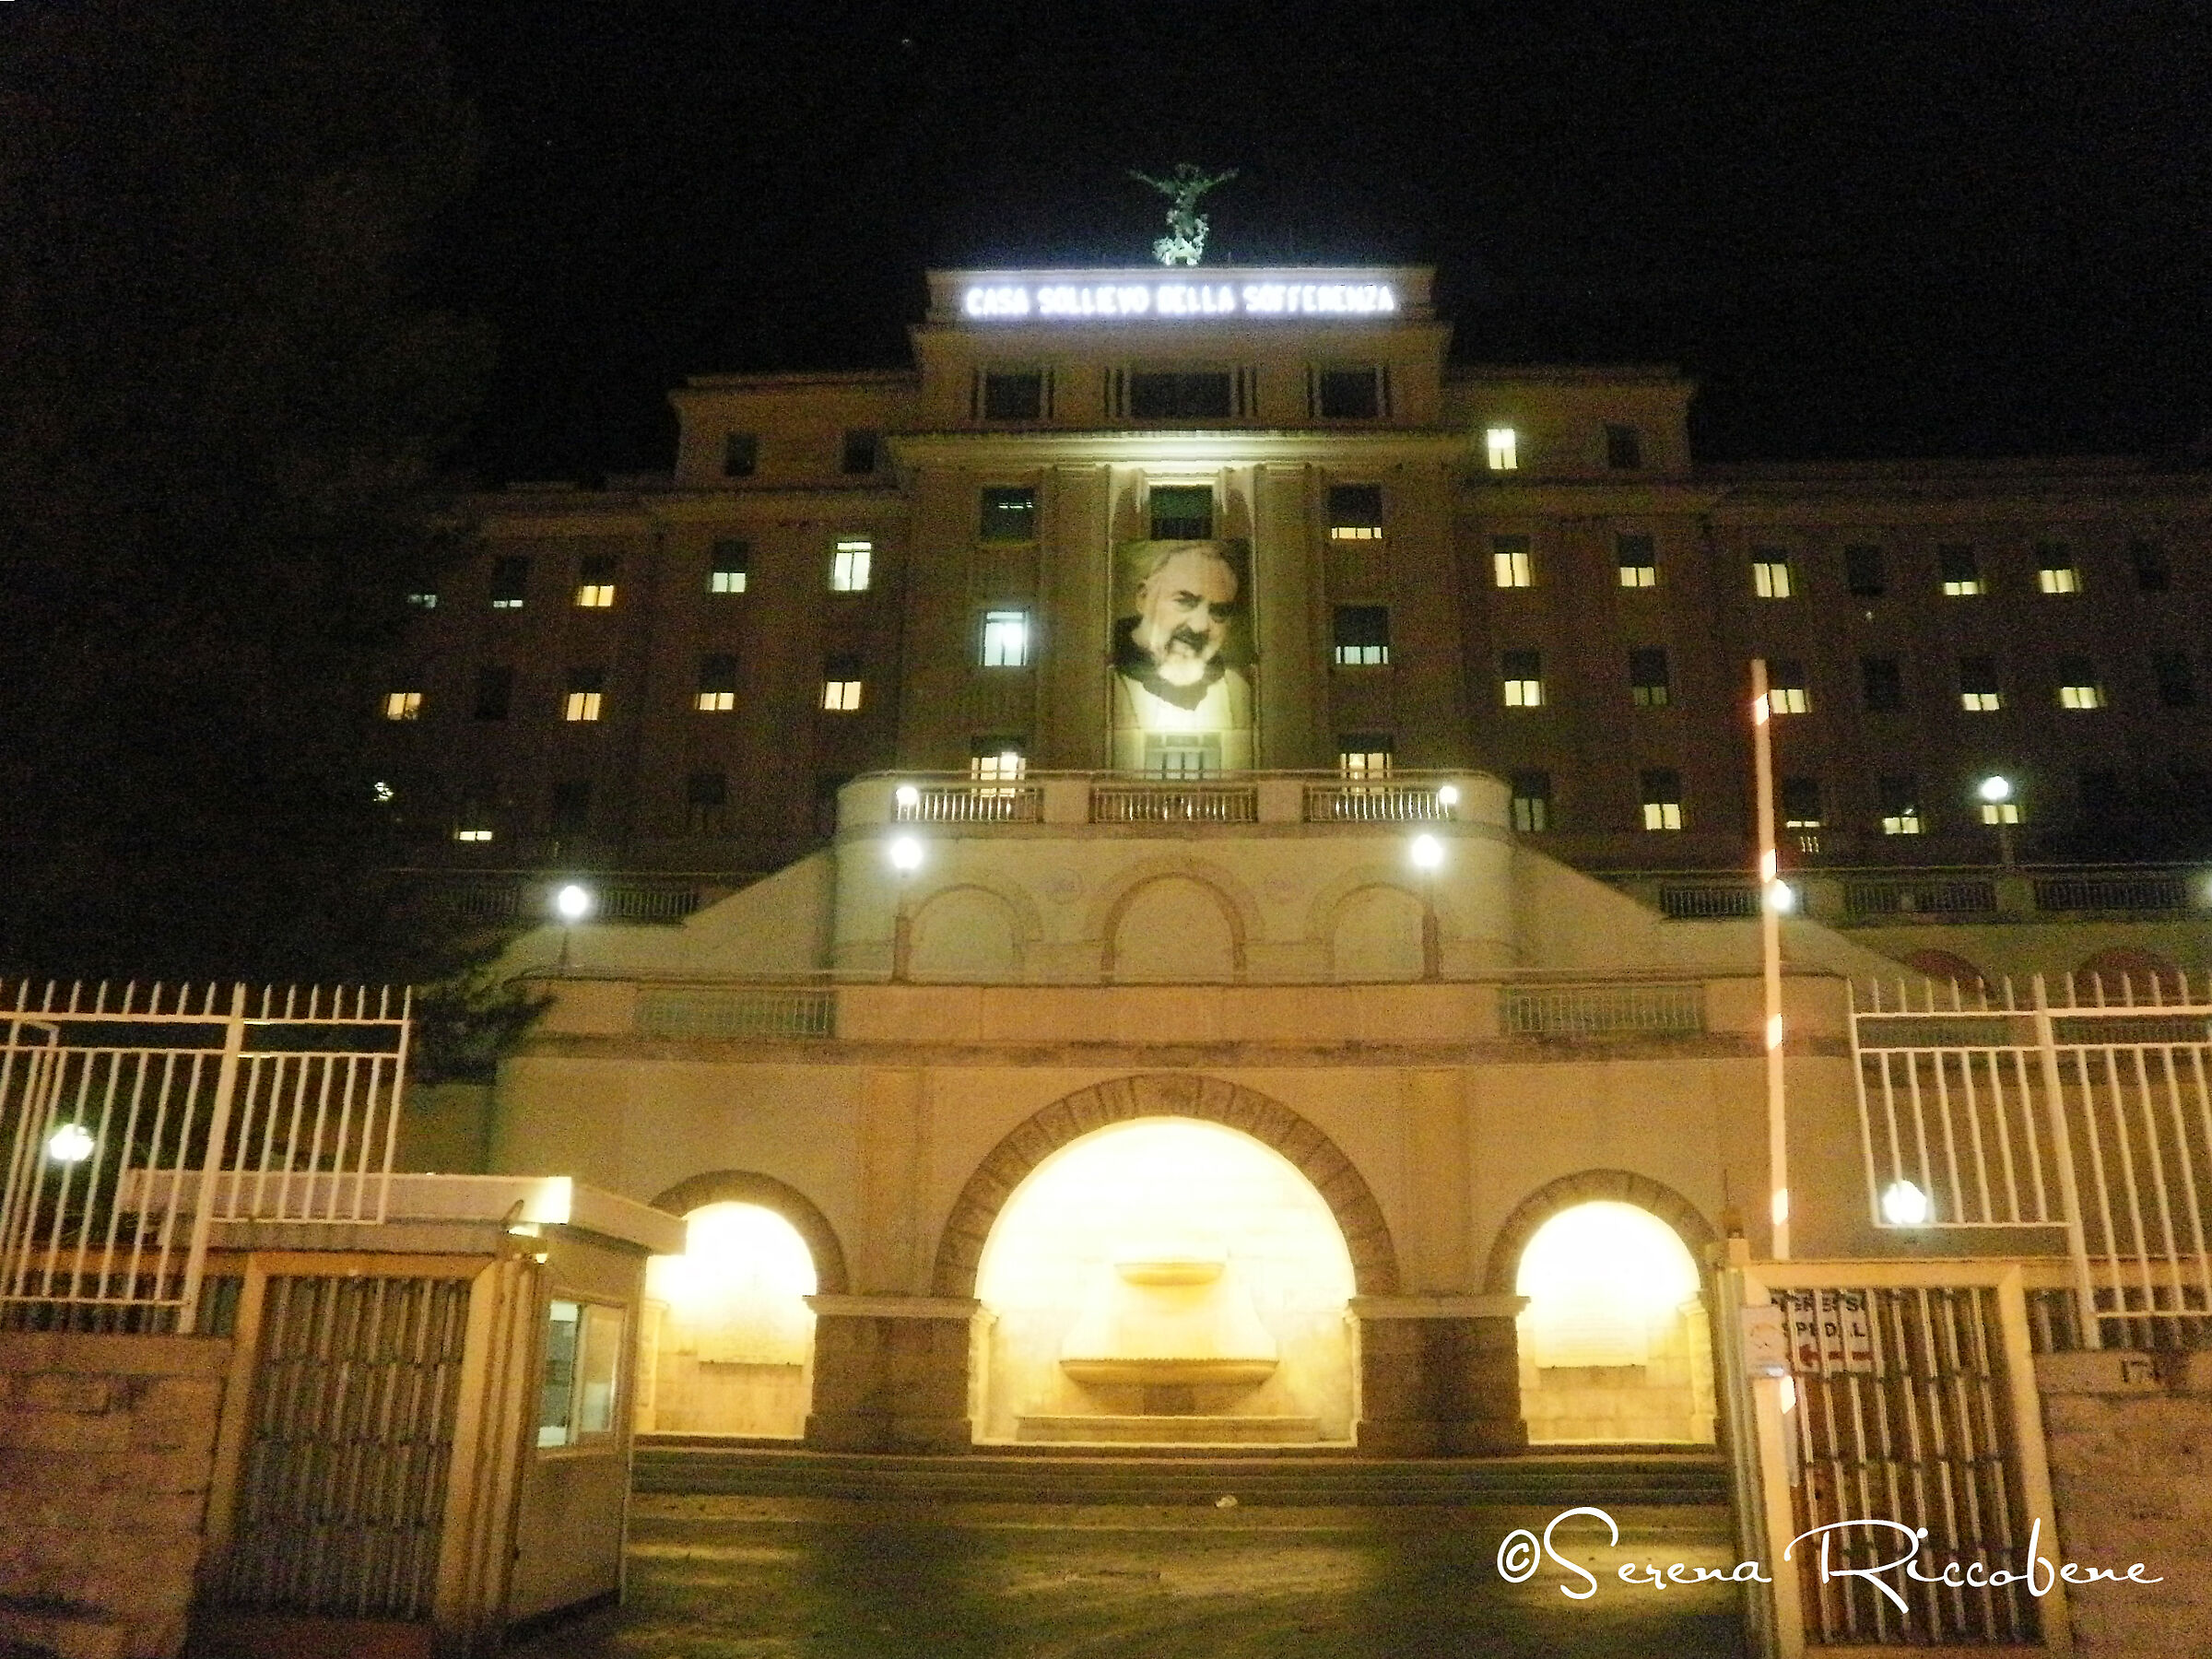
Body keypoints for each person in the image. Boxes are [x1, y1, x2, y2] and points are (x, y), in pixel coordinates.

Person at [1111, 541, 1253, 771]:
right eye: (1185, 602)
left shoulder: (1237, 691)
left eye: (1218, 611)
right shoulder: (1102, 686)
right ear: (1143, 598)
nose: (1199, 626)